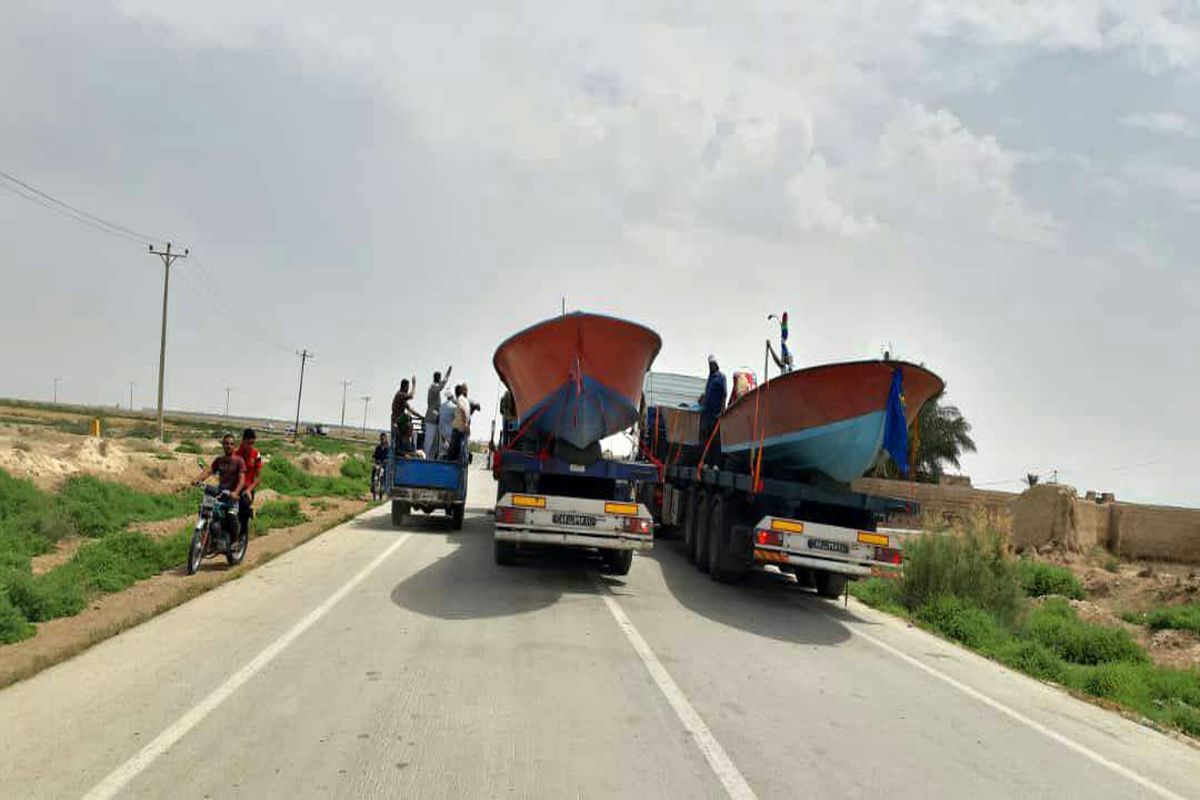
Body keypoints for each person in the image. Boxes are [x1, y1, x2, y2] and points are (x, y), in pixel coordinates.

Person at [193, 433, 246, 544]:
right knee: (206, 510)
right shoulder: (219, 460)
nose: (229, 446)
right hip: (220, 494)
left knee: (231, 515)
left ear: (234, 446)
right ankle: (211, 537)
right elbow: (208, 471)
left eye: (231, 444)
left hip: (232, 496)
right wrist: (198, 480)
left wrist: (236, 492)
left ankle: (234, 542)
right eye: (226, 443)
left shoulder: (239, 461)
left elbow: (242, 479)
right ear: (223, 445)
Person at [698, 354, 727, 466]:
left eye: (712, 364)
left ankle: (716, 464)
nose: (711, 367)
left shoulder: (721, 377)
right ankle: (707, 463)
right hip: (707, 415)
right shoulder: (710, 378)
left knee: (716, 440)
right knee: (706, 439)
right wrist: (703, 399)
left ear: (716, 364)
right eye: (709, 365)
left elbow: (724, 394)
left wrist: (722, 410)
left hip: (716, 414)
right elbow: (708, 394)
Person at [234, 428, 263, 536]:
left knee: (243, 507)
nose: (250, 446)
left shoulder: (256, 454)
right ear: (243, 441)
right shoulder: (236, 453)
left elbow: (258, 477)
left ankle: (242, 536)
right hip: (235, 488)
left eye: (252, 443)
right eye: (248, 443)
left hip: (247, 489)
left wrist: (249, 490)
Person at [447, 383, 480, 462]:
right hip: (463, 428)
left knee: (453, 452)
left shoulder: (460, 399)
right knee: (462, 449)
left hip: (458, 428)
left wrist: (465, 423)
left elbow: (462, 409)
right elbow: (477, 407)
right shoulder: (467, 401)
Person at [424, 365, 452, 456]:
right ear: (438, 379)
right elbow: (440, 387)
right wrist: (447, 375)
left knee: (435, 444)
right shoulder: (433, 387)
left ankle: (430, 461)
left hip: (436, 419)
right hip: (431, 419)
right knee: (429, 442)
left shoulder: (435, 387)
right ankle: (425, 460)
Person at [390, 376, 419, 453]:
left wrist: (421, 417)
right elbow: (411, 396)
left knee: (409, 430)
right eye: (408, 387)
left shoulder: (402, 398)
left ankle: (407, 449)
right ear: (405, 387)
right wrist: (414, 384)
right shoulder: (400, 395)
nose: (408, 389)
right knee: (396, 441)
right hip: (397, 421)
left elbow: (411, 409)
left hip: (400, 423)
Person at [437, 390, 457, 459]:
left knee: (441, 453)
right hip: (450, 433)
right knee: (449, 453)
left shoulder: (441, 406)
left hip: (441, 432)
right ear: (452, 396)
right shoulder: (454, 407)